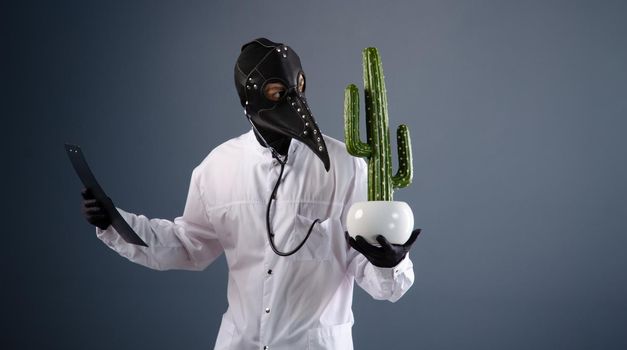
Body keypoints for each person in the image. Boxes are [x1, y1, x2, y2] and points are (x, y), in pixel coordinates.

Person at [80, 37, 421, 350]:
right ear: (250, 96)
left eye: (298, 86)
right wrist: (116, 223)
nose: (293, 98)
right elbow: (188, 245)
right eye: (276, 91)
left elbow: (377, 277)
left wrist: (391, 263)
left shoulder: (349, 167)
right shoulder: (218, 167)